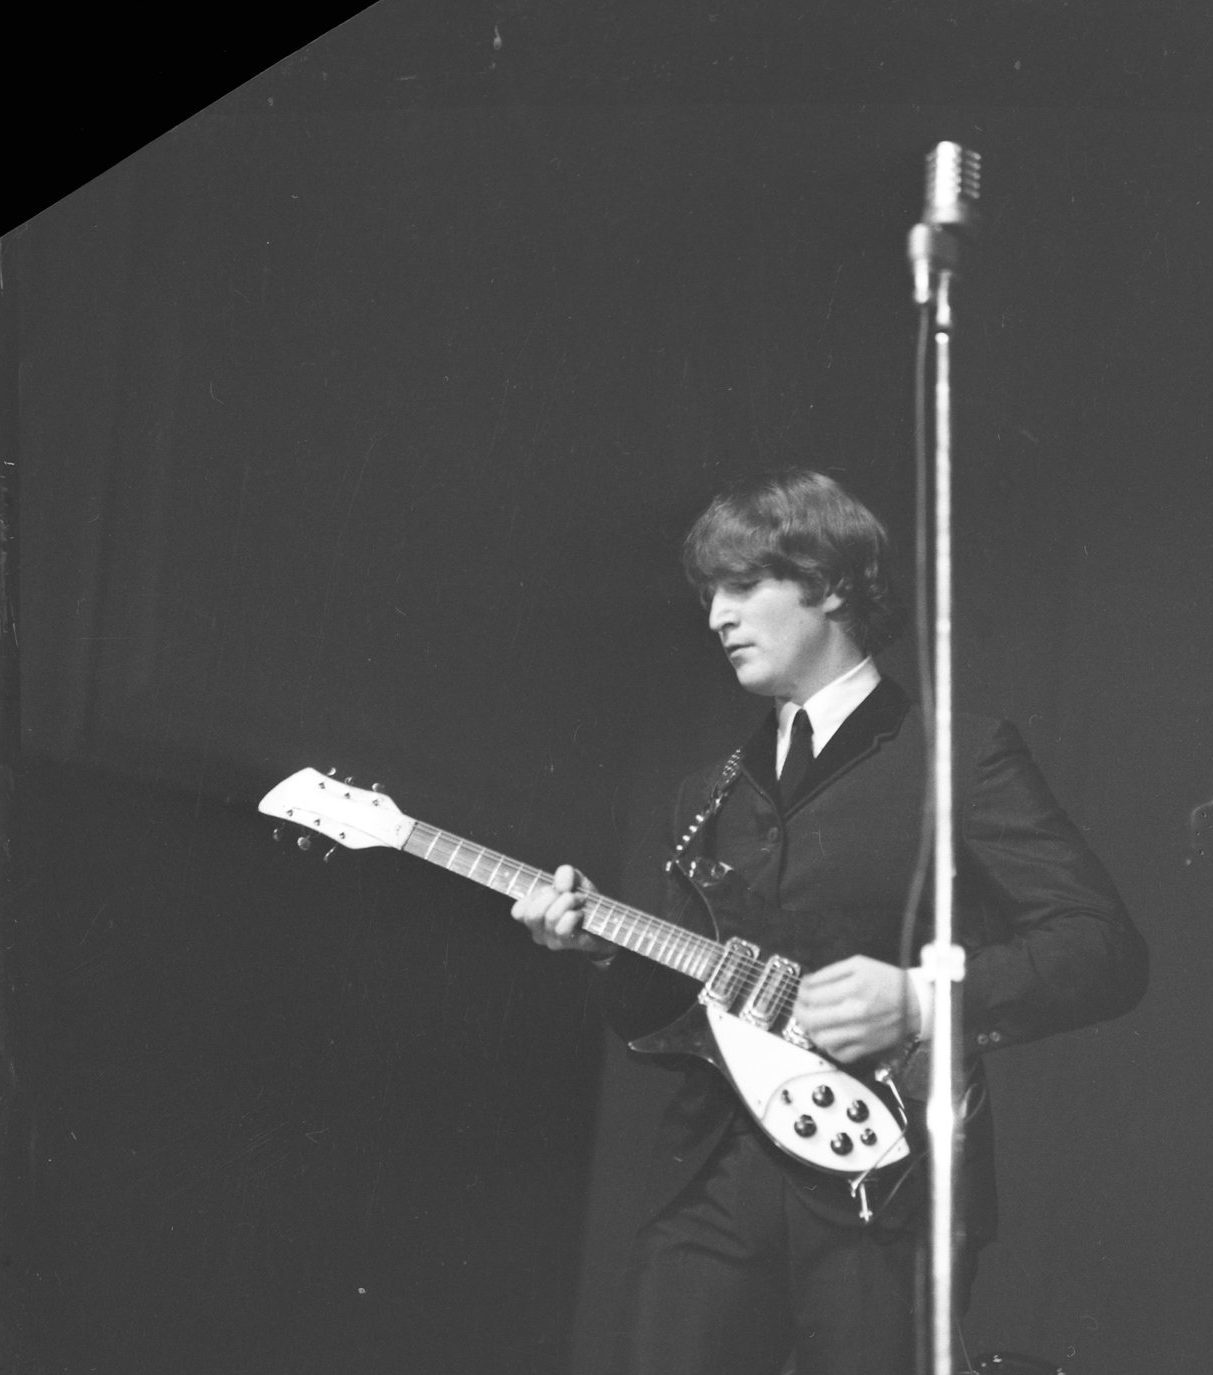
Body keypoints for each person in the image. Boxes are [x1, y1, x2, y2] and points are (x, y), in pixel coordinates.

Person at [511, 468, 1147, 1375]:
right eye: (707, 594)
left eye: (742, 585)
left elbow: (1103, 947)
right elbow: (671, 1011)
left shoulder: (957, 756)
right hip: (716, 1177)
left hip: (885, 1189)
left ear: (832, 582)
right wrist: (596, 950)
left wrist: (926, 998)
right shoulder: (707, 793)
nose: (714, 617)